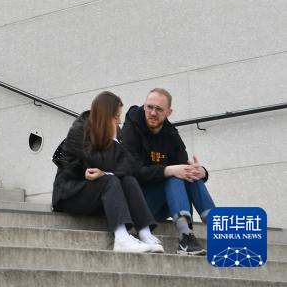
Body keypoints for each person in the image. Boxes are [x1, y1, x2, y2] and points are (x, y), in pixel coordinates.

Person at [52, 91, 164, 254]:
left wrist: (107, 173)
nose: (119, 121)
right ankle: (122, 238)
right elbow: (98, 163)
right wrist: (113, 141)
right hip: (70, 194)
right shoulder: (79, 130)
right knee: (110, 181)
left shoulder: (114, 130)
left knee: (128, 179)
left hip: (95, 193)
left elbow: (131, 164)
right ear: (105, 116)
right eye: (116, 116)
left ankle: (145, 233)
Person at [121, 88, 215, 256]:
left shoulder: (171, 134)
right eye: (149, 107)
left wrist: (201, 172)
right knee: (174, 175)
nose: (153, 112)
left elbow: (184, 168)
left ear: (169, 112)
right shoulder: (131, 128)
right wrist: (168, 170)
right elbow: (131, 170)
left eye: (159, 109)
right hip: (138, 204)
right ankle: (185, 237)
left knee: (187, 174)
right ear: (144, 106)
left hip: (164, 203)